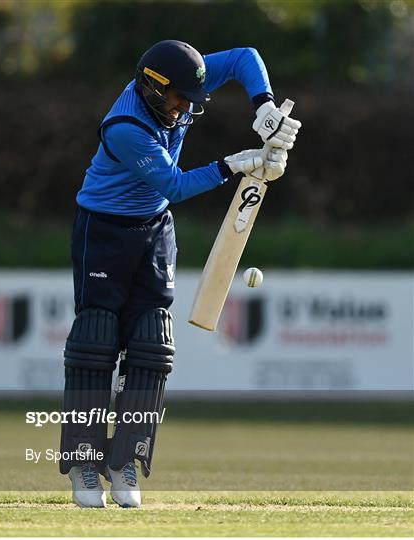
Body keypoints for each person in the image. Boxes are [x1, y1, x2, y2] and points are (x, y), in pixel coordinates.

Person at [59, 40, 301, 509]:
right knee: (96, 341)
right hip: (104, 230)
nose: (184, 108)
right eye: (178, 100)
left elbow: (245, 57)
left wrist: (264, 106)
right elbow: (175, 184)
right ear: (153, 88)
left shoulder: (180, 76)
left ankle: (124, 459)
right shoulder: (126, 126)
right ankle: (85, 462)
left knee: (151, 342)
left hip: (155, 227)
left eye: (192, 99)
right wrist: (237, 163)